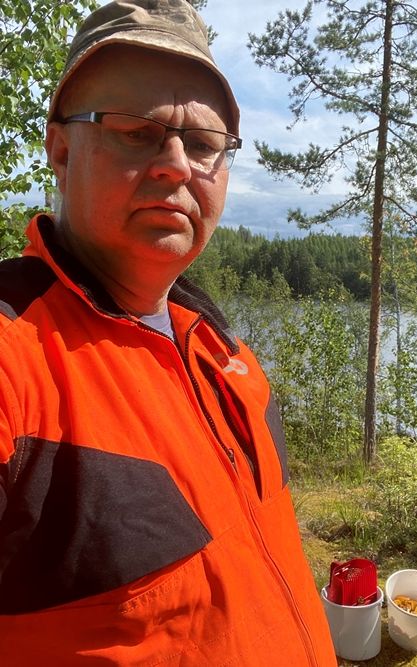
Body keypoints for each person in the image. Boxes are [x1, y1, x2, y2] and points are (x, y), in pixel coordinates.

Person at [0, 1, 337, 665]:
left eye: (205, 145)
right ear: (61, 150)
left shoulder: (223, 351)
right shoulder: (16, 350)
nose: (178, 165)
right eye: (137, 132)